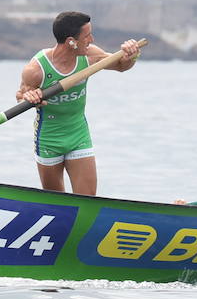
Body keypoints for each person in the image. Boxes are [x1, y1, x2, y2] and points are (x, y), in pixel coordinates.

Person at [16, 10, 142, 195]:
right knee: (57, 206)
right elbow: (21, 95)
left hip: (78, 135)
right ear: (71, 42)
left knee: (87, 200)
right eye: (87, 35)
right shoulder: (36, 69)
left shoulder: (90, 55)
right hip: (49, 139)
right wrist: (30, 98)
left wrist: (132, 56)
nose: (91, 39)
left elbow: (121, 66)